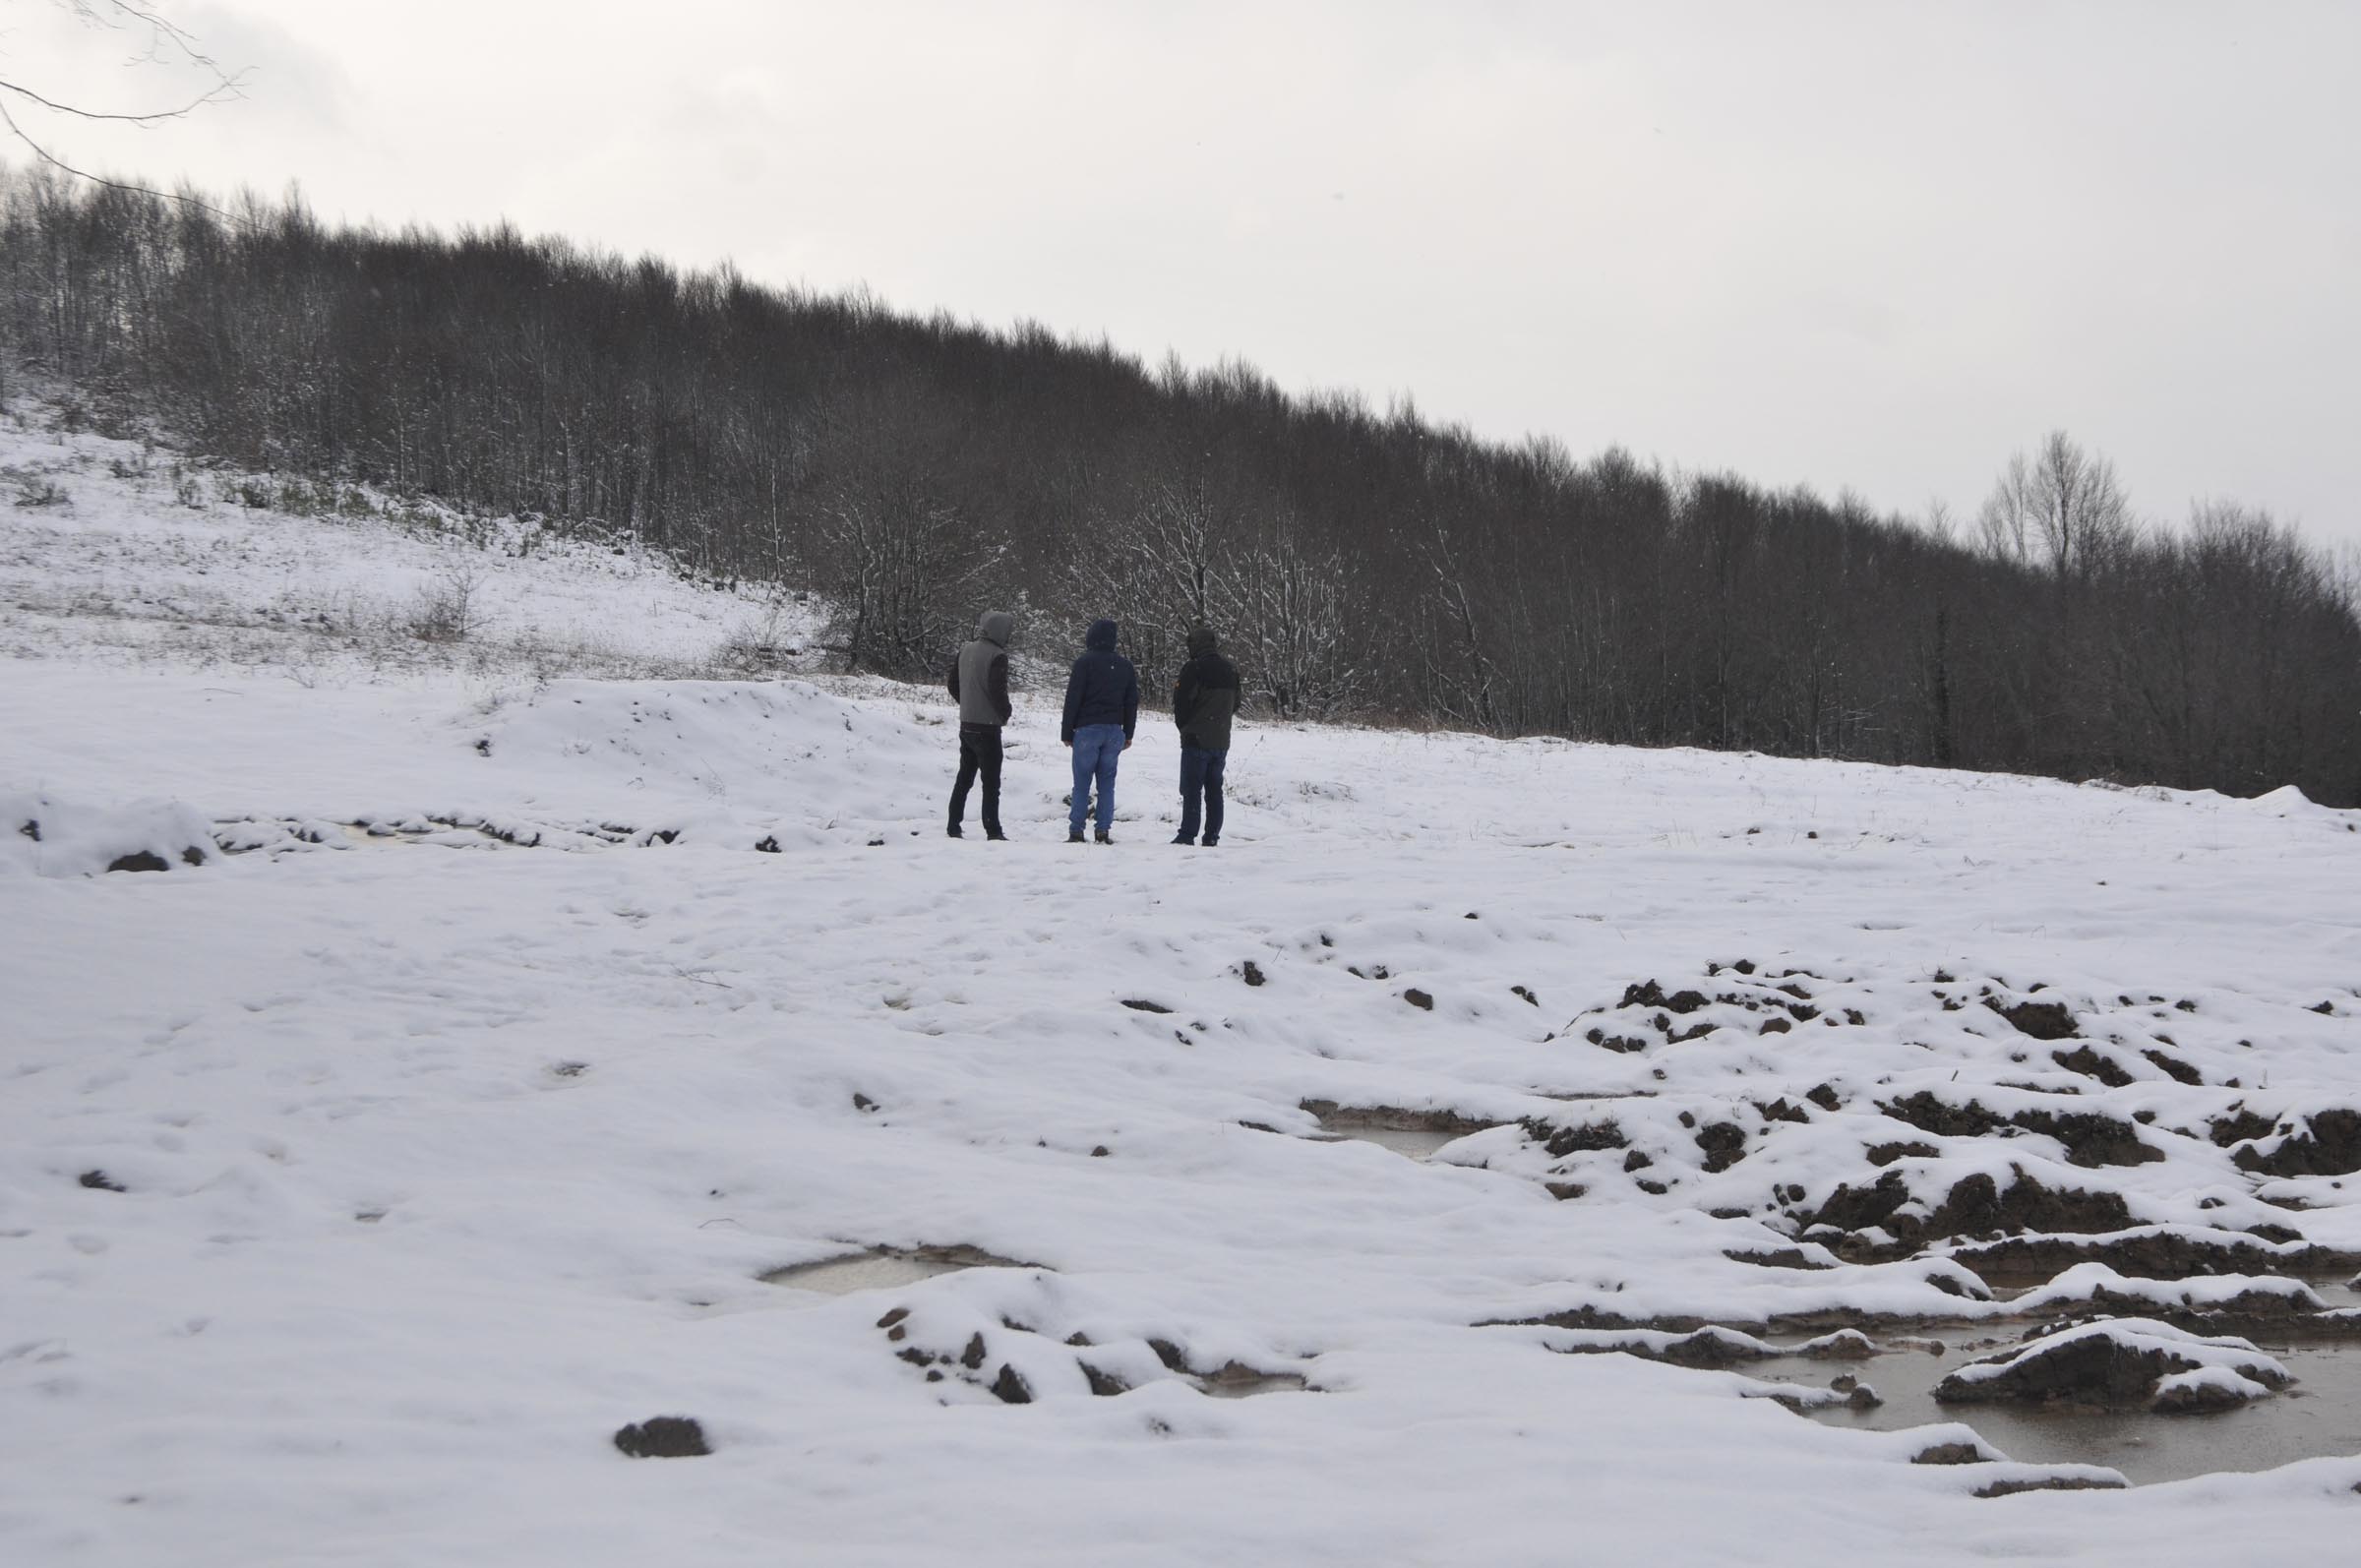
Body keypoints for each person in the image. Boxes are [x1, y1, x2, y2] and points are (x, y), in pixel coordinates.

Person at [1059, 618, 1137, 843]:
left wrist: (1067, 732)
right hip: (1114, 731)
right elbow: (1131, 701)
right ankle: (1103, 831)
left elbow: (1073, 698)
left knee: (1082, 782)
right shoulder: (1125, 666)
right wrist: (1128, 733)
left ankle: (1076, 830)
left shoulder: (1084, 663)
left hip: (1087, 729)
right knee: (1107, 783)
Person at [1170, 624, 1241, 846]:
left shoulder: (1194, 668)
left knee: (1192, 789)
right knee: (1214, 790)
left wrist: (1185, 727)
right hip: (1221, 739)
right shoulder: (1230, 670)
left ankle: (1187, 835)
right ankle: (1211, 836)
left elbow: (1181, 703)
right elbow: (1236, 704)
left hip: (1196, 739)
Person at [946, 610, 1013, 840]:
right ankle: (993, 830)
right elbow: (997, 691)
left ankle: (953, 825)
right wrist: (1005, 713)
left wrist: (966, 704)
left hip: (967, 725)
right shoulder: (998, 655)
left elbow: (952, 683)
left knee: (964, 778)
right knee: (991, 783)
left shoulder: (965, 649)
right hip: (988, 728)